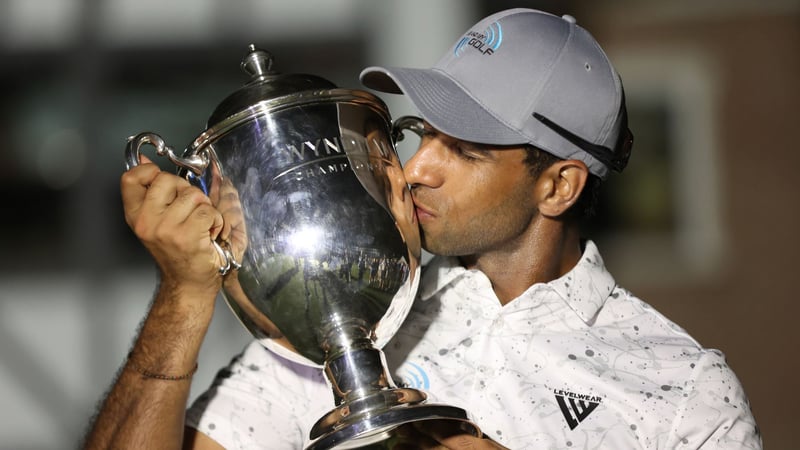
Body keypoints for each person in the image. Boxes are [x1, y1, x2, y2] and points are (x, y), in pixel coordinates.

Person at [84, 8, 762, 450]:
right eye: (422, 135)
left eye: (464, 151)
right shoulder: (339, 317)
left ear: (558, 185)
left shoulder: (682, 387)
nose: (415, 171)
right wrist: (183, 294)